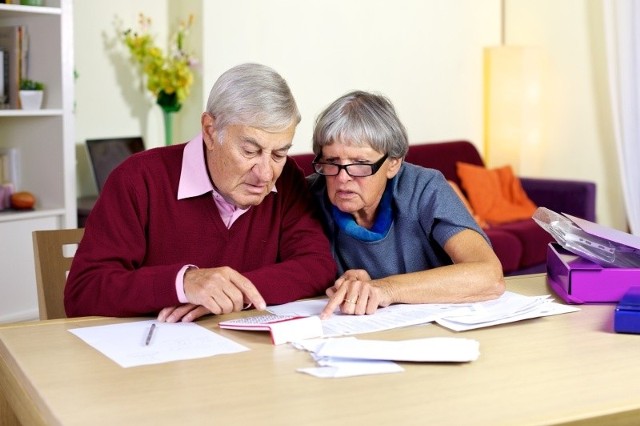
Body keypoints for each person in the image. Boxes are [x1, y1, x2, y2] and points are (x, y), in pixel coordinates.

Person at [65, 63, 337, 322]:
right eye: (250, 151)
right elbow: (83, 290)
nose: (266, 174)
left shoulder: (288, 178)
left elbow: (316, 266)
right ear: (210, 130)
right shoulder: (138, 179)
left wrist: (230, 292)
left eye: (279, 153)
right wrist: (183, 283)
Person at [307, 90, 505, 319]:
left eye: (360, 164)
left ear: (393, 164)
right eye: (331, 162)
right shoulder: (310, 194)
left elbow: (489, 276)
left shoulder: (425, 188)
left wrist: (385, 288)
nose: (342, 178)